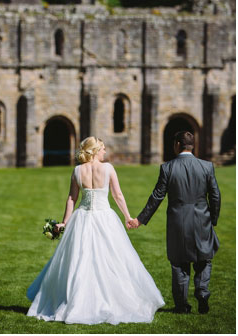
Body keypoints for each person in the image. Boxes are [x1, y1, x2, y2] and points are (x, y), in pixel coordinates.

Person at [27, 137, 164, 324]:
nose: (105, 152)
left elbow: (71, 199)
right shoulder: (108, 168)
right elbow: (117, 195)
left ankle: (76, 300)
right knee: (111, 259)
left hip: (82, 218)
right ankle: (110, 299)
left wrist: (65, 222)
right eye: (103, 149)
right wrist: (127, 217)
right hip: (104, 217)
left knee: (79, 260)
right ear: (95, 150)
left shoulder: (77, 170)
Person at [128, 131, 221, 314]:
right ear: (191, 145)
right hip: (202, 220)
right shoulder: (207, 166)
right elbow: (215, 195)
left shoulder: (168, 168)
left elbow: (157, 197)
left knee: (179, 263)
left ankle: (181, 305)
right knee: (204, 259)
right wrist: (213, 219)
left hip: (178, 222)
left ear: (178, 144)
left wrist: (140, 219)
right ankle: (202, 292)